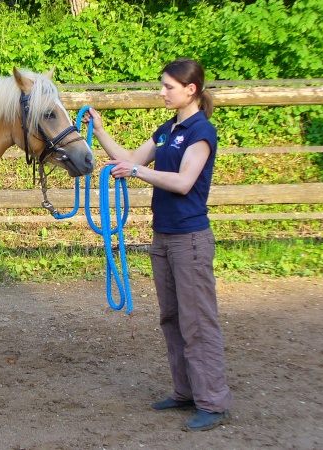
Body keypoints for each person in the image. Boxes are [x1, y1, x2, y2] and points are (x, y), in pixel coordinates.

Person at [84, 58, 233, 432]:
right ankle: (185, 392)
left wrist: (137, 172)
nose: (162, 92)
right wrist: (100, 131)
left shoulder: (201, 132)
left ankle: (213, 402)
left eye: (168, 86)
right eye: (162, 85)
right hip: (164, 236)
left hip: (190, 238)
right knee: (171, 317)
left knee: (198, 321)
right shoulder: (167, 130)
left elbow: (184, 182)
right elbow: (130, 159)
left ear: (190, 90)